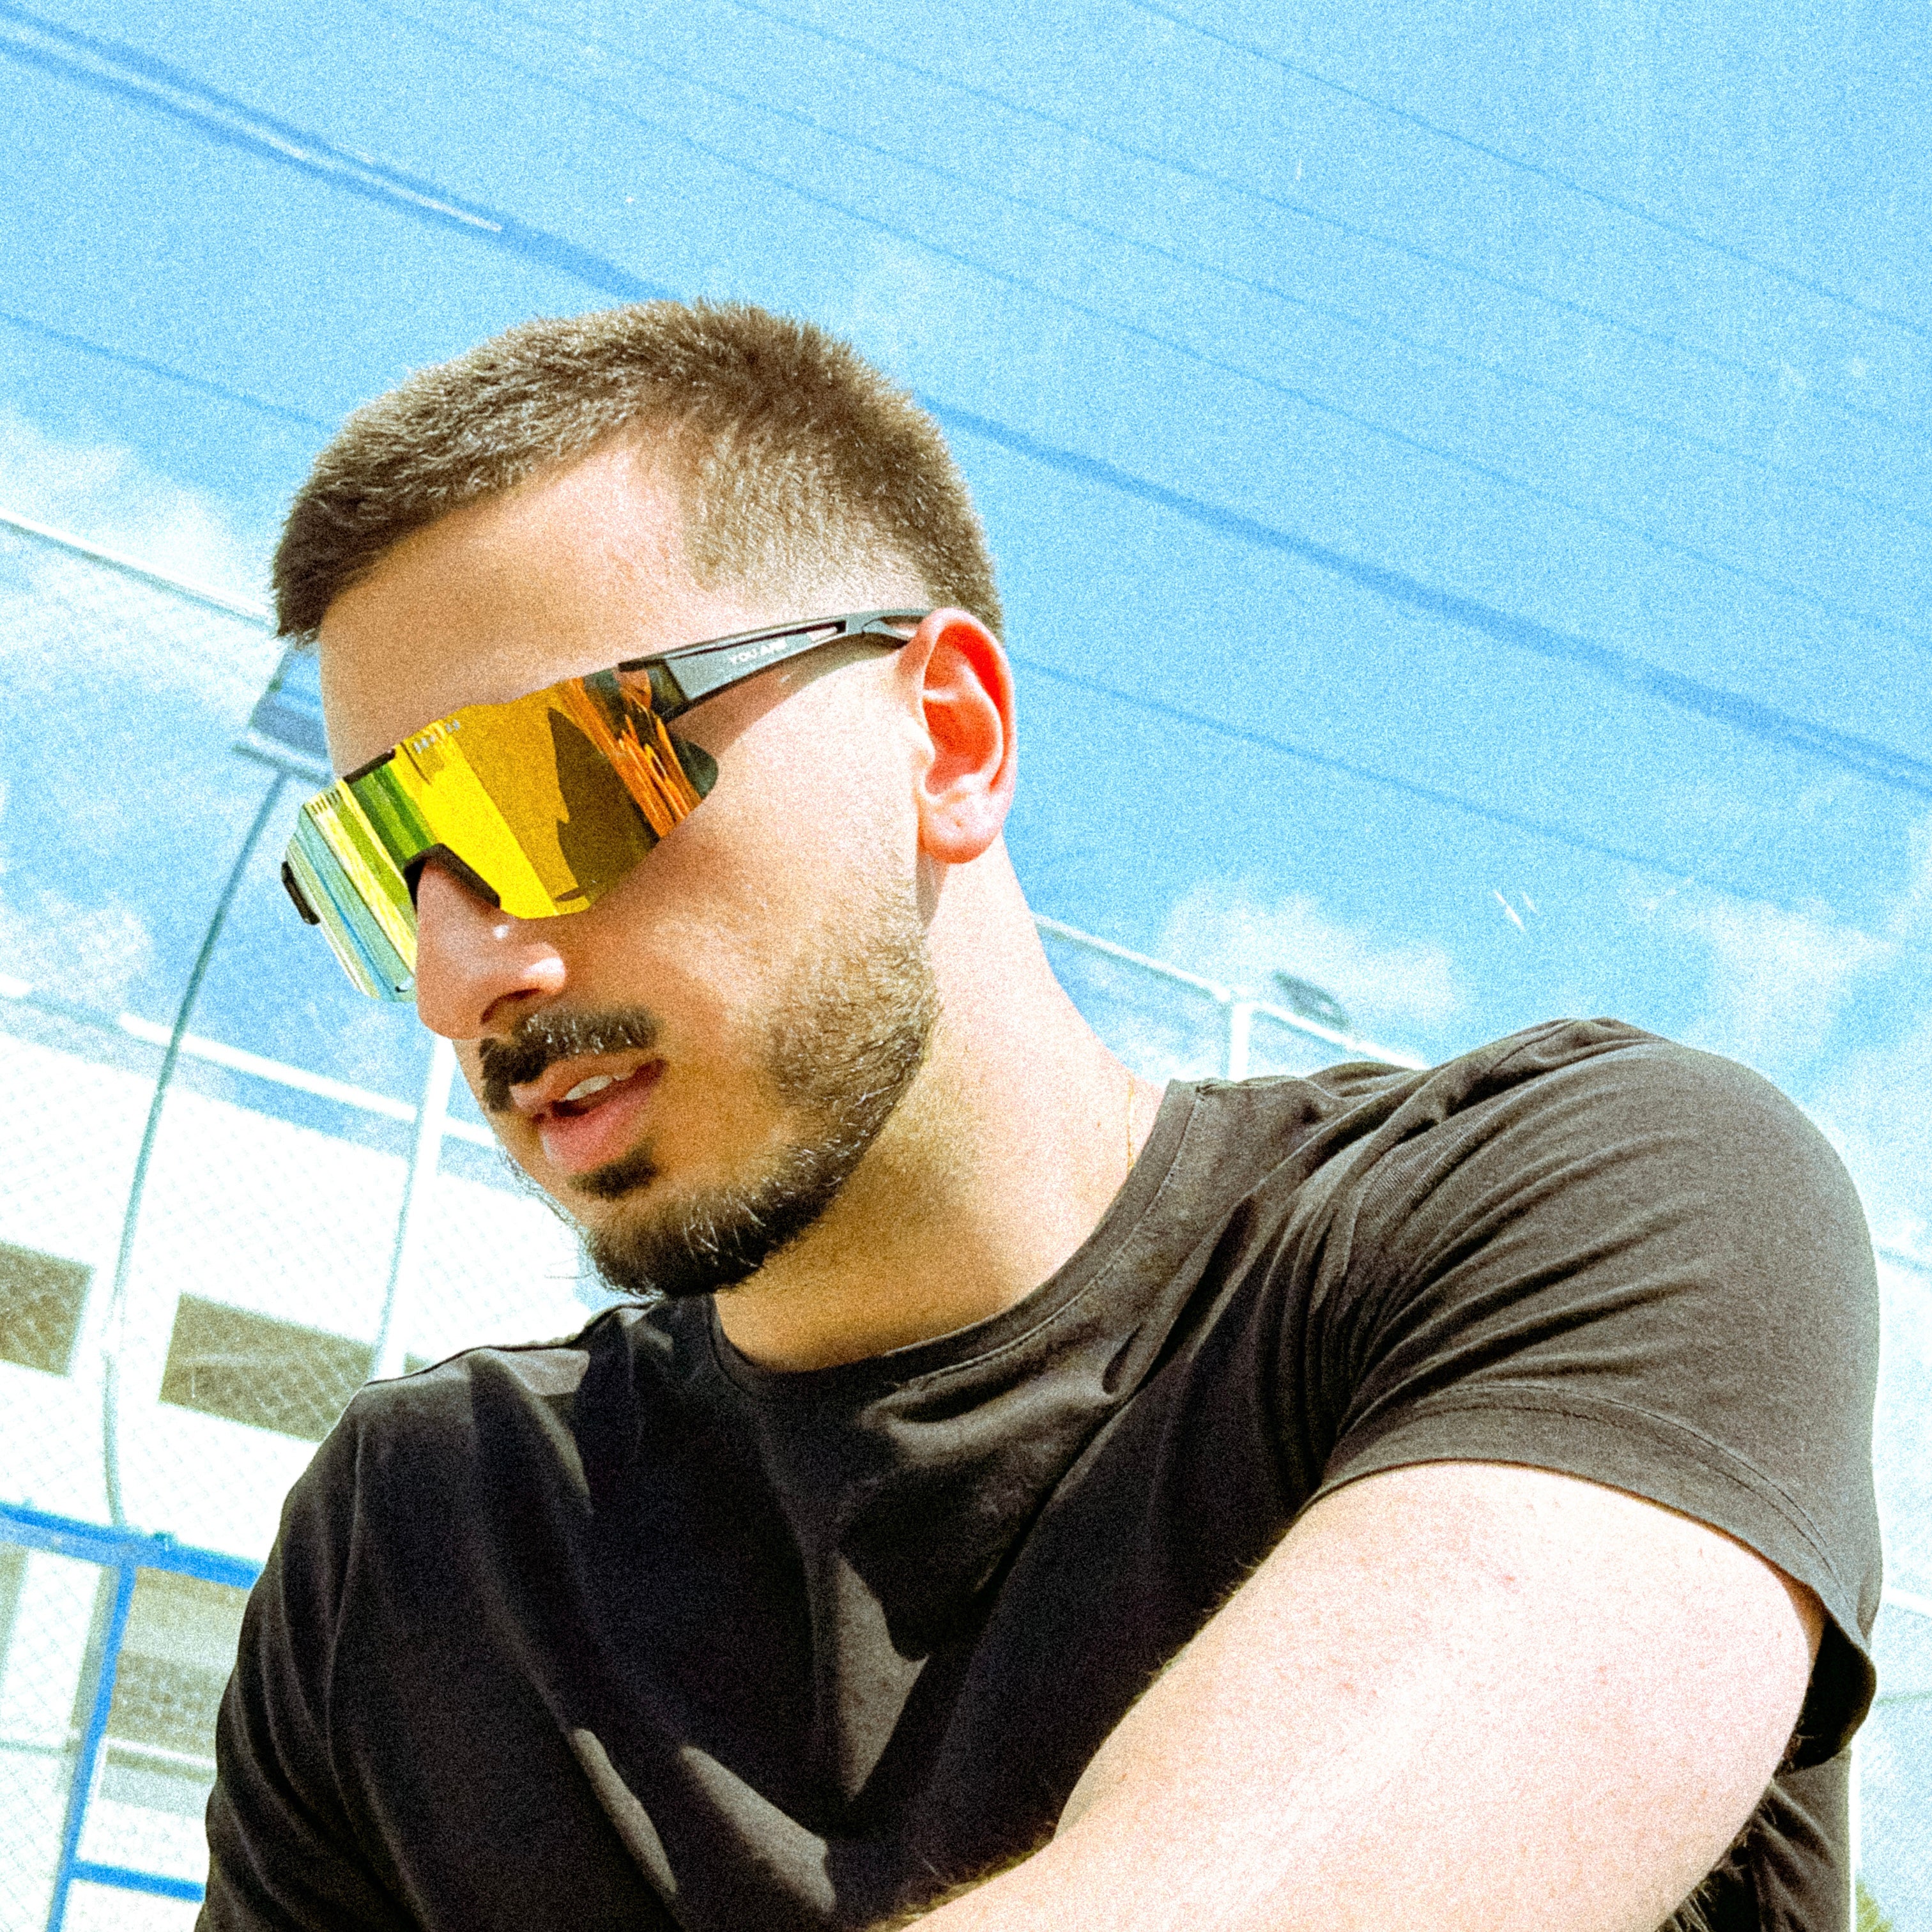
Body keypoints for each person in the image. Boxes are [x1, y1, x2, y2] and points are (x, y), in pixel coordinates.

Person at [201, 300, 1880, 1932]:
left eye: (545, 788)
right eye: (377, 875)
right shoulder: (420, 1545)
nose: (457, 981)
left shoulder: (1599, 1215)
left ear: (948, 740)